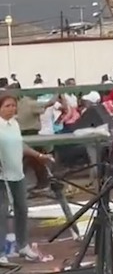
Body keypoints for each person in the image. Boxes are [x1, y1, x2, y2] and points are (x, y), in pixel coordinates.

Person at [0, 92, 50, 264]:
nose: (11, 109)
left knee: (22, 209)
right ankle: (1, 252)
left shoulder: (14, 124)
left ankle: (22, 245)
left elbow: (20, 144)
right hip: (2, 176)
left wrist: (38, 155)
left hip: (17, 174)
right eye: (7, 106)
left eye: (13, 105)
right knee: (2, 212)